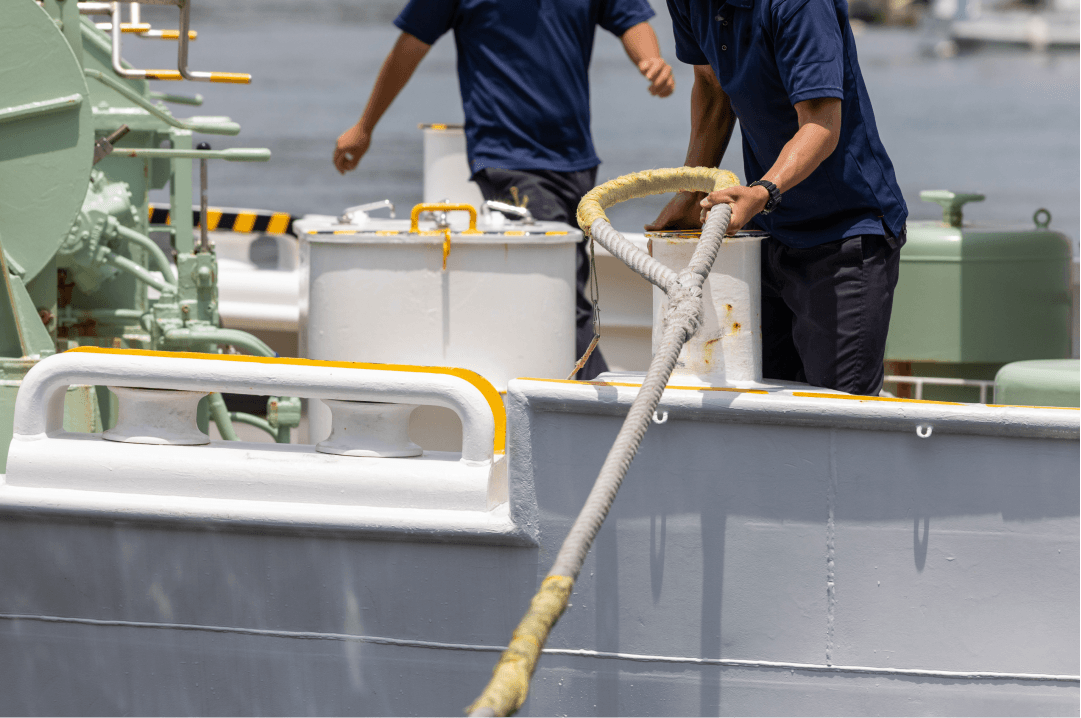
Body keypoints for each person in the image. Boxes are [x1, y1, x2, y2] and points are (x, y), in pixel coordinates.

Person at [333, 0, 676, 380]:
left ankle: (564, 395)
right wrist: (365, 126)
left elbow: (629, 17)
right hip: (506, 158)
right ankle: (591, 404)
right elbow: (410, 46)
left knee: (566, 283)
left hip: (576, 160)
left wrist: (653, 61)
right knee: (559, 290)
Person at [647, 0, 909, 396]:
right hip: (771, 234)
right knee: (758, 405)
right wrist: (689, 194)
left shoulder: (801, 6)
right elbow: (713, 87)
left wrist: (762, 191)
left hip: (846, 235)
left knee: (836, 421)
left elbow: (821, 123)